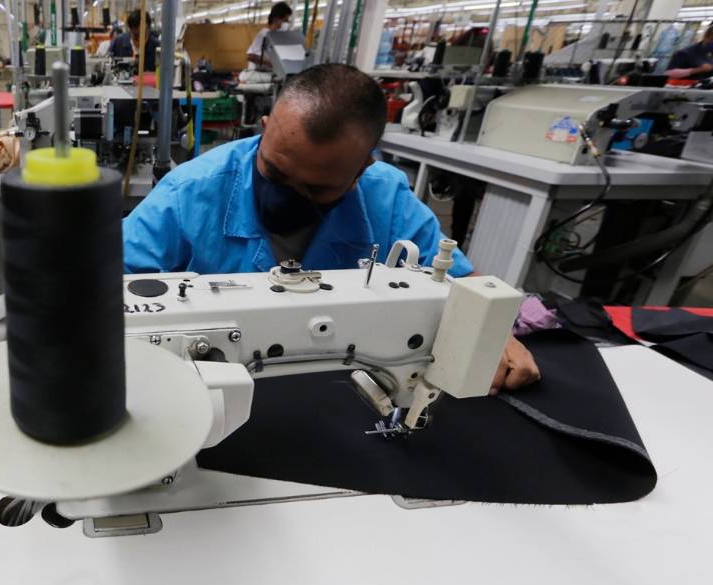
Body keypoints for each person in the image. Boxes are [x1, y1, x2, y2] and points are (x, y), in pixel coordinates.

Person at [122, 64, 540, 392]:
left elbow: (461, 282)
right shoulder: (190, 193)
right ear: (265, 128)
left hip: (340, 390)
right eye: (275, 171)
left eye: (317, 189)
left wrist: (488, 330)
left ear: (361, 171)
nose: (288, 194)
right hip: (205, 392)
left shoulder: (386, 198)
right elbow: (101, 284)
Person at [246, 2, 295, 70]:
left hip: (269, 70)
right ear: (276, 19)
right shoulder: (264, 34)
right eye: (285, 20)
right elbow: (250, 56)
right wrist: (271, 63)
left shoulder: (281, 33)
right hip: (257, 72)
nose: (286, 23)